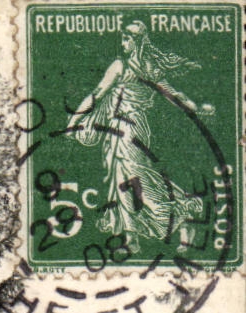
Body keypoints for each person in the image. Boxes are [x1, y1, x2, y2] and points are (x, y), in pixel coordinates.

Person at [63, 21, 215, 253]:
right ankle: (130, 237)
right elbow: (97, 95)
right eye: (122, 39)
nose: (123, 44)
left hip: (133, 129)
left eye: (127, 39)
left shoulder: (146, 69)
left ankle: (182, 215)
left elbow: (173, 94)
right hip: (115, 128)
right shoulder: (120, 66)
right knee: (121, 180)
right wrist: (73, 121)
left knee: (137, 178)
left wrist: (197, 108)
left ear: (138, 42)